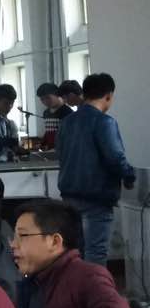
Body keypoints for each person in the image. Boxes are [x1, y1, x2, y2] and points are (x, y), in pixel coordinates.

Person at [56, 72, 137, 265]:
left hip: (69, 195)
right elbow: (115, 157)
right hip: (96, 197)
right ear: (108, 96)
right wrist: (129, 176)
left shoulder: (67, 122)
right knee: (96, 253)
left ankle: (76, 285)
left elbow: (60, 153)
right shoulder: (104, 122)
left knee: (76, 253)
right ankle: (93, 286)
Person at [35, 82, 72, 150]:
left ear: (57, 94)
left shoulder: (67, 112)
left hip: (65, 150)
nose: (45, 101)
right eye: (42, 99)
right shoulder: (46, 113)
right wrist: (42, 143)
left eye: (48, 97)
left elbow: (70, 136)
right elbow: (49, 131)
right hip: (51, 151)